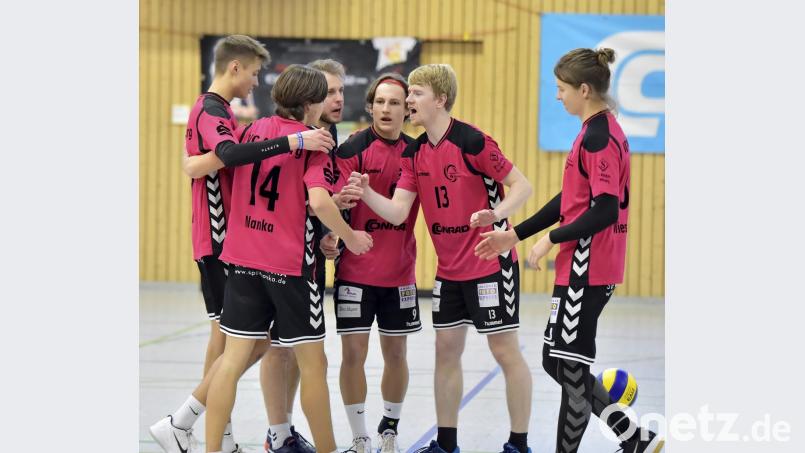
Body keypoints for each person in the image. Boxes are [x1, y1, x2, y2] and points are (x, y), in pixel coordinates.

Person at [474, 48, 663, 453]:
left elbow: (605, 209)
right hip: (583, 266)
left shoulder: (599, 137)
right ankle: (635, 438)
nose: (558, 96)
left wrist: (552, 239)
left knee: (569, 367)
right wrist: (515, 234)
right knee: (558, 360)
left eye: (562, 88)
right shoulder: (597, 130)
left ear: (584, 89)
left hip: (587, 267)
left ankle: (630, 439)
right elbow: (573, 199)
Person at [150, 35, 333, 453]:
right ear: (236, 67)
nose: (256, 81)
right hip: (222, 240)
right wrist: (293, 142)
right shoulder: (213, 108)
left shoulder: (238, 119)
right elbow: (230, 155)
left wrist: (195, 163)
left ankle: (202, 427)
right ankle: (188, 425)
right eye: (253, 72)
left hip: (239, 243)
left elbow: (218, 158)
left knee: (246, 343)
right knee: (227, 344)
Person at [346, 64, 534, 453]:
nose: (408, 101)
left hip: (489, 264)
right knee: (445, 352)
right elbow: (398, 212)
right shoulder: (414, 153)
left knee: (504, 352)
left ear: (440, 100)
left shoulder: (473, 142)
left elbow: (522, 185)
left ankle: (519, 444)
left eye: (416, 94)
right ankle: (446, 445)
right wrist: (365, 192)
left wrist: (497, 215)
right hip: (449, 272)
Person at [204, 64, 373, 453]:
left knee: (230, 362)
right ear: (311, 103)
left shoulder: (252, 130)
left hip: (243, 261)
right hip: (290, 267)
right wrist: (350, 237)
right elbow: (318, 202)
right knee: (314, 365)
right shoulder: (315, 141)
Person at [260, 58, 348, 453]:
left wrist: (330, 233)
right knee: (277, 349)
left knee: (295, 350)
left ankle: (283, 432)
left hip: (307, 254)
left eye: (341, 90)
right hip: (281, 258)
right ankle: (277, 433)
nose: (337, 98)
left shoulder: (329, 136)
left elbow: (319, 198)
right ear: (308, 97)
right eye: (329, 92)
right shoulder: (289, 135)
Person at [332, 73, 419, 453]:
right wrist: (330, 235)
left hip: (399, 273)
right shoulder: (352, 148)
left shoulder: (417, 152)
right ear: (370, 106)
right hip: (355, 272)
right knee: (353, 354)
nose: (386, 109)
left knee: (396, 354)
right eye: (380, 102)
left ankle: (390, 429)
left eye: (394, 102)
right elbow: (331, 202)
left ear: (407, 110)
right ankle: (359, 436)